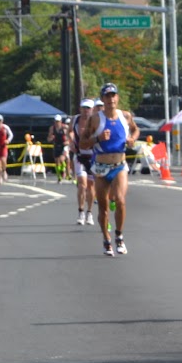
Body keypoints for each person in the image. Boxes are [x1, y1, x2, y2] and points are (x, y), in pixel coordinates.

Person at [85, 84, 134, 256]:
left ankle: (119, 236)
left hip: (119, 164)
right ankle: (106, 239)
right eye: (107, 96)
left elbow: (135, 130)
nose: (111, 99)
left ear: (118, 98)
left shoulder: (125, 116)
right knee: (103, 208)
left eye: (114, 95)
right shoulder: (95, 119)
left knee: (120, 200)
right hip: (100, 167)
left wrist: (132, 139)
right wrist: (98, 137)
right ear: (103, 99)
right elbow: (83, 143)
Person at [72, 98, 97, 224]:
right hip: (79, 155)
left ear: (92, 110)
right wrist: (71, 142)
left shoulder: (96, 121)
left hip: (93, 157)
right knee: (82, 184)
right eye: (84, 108)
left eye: (88, 108)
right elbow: (69, 132)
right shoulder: (75, 119)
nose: (86, 111)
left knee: (91, 186)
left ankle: (89, 212)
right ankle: (81, 211)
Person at [49, 114, 69, 183]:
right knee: (57, 162)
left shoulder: (65, 128)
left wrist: (67, 141)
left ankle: (64, 170)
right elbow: (48, 138)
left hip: (63, 145)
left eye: (58, 121)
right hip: (56, 145)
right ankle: (59, 176)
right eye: (56, 121)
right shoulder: (52, 128)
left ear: (61, 121)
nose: (57, 123)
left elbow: (70, 136)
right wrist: (51, 138)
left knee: (61, 159)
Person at [0, 113, 10, 184]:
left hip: (3, 147)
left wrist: (8, 140)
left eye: (0, 120)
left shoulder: (5, 127)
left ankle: (4, 171)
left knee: (3, 160)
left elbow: (11, 134)